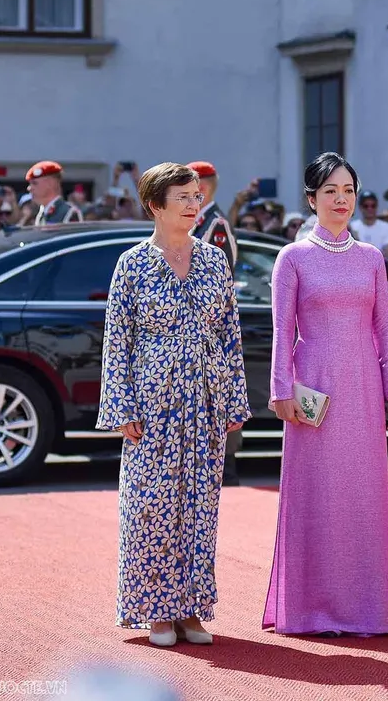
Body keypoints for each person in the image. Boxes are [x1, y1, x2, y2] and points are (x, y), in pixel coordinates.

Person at [96, 162, 251, 647]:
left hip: (204, 399)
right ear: (154, 205)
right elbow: (117, 341)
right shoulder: (133, 263)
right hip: (153, 401)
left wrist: (233, 403)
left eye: (196, 194)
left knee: (200, 506)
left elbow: (229, 334)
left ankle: (191, 611)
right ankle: (156, 612)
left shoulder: (212, 261)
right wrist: (122, 407)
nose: (193, 203)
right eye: (182, 196)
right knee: (151, 506)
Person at [263, 152, 388, 636]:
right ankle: (309, 608)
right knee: (315, 494)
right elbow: (283, 330)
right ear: (311, 199)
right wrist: (281, 389)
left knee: (362, 494)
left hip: (364, 386)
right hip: (313, 387)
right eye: (330, 191)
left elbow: (384, 328)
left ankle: (368, 608)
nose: (341, 199)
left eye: (348, 190)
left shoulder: (370, 259)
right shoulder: (293, 257)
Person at [187, 160, 243, 487]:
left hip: (213, 326)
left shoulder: (215, 224)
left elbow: (221, 278)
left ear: (202, 188)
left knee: (220, 394)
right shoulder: (196, 222)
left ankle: (227, 463)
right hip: (195, 326)